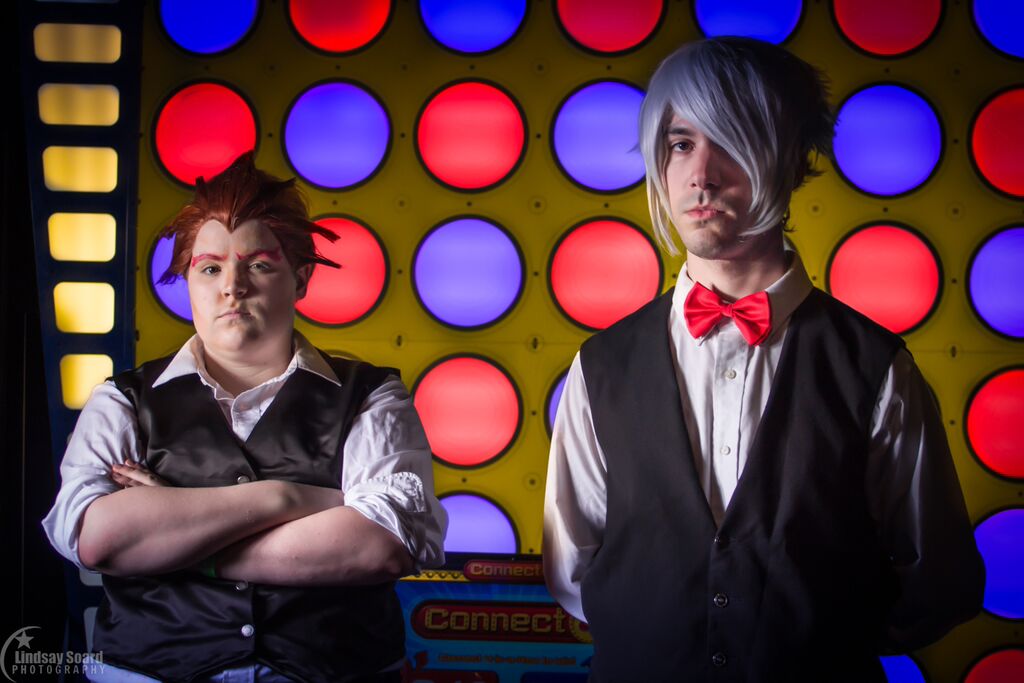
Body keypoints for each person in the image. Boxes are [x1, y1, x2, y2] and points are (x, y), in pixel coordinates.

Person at [543, 37, 984, 682]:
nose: (701, 175)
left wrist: (819, 642)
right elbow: (572, 572)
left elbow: (938, 580)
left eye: (728, 138)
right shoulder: (601, 364)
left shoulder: (876, 366)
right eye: (680, 144)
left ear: (791, 157)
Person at [43, 152, 447, 683]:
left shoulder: (373, 396)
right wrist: (290, 498)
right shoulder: (122, 400)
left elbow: (381, 546)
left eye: (258, 264)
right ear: (189, 279)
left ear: (300, 278)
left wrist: (175, 535)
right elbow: (98, 540)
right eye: (210, 268)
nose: (232, 286)